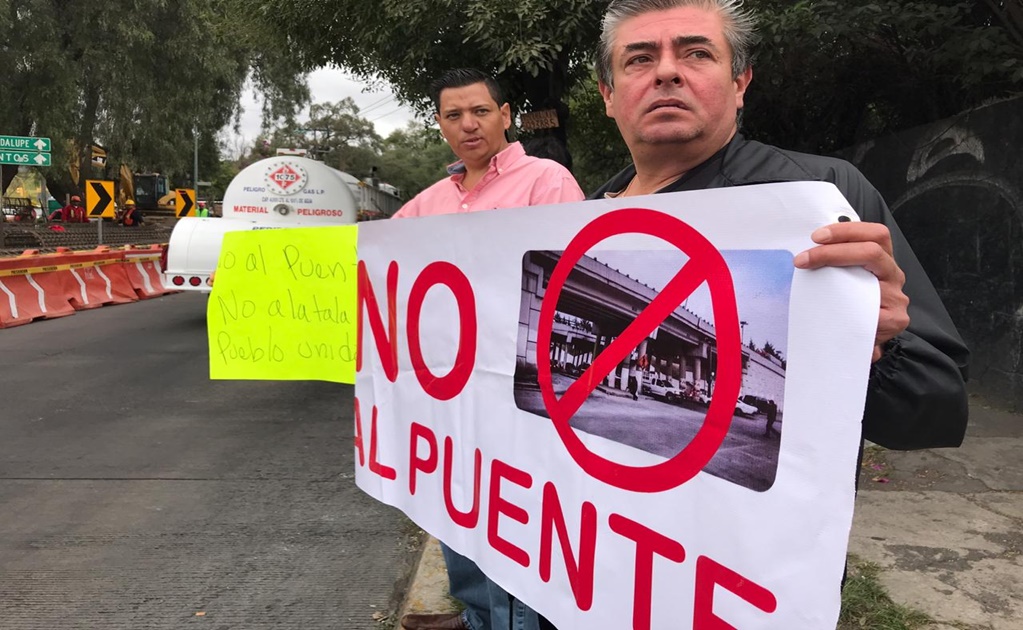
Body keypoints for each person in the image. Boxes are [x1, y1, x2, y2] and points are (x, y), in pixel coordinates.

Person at [592, 0, 968, 459]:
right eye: (639, 59)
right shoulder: (586, 217)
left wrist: (882, 349)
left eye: (697, 54)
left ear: (739, 83)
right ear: (608, 94)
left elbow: (936, 409)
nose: (667, 72)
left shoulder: (823, 197)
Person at [395, 68, 584, 630]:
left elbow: (564, 274)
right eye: (453, 115)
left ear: (505, 116)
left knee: (518, 508)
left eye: (480, 111)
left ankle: (523, 622)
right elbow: (387, 277)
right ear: (440, 125)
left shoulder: (545, 181)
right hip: (450, 388)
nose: (468, 124)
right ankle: (479, 616)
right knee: (458, 499)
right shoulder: (425, 204)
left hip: (519, 383)